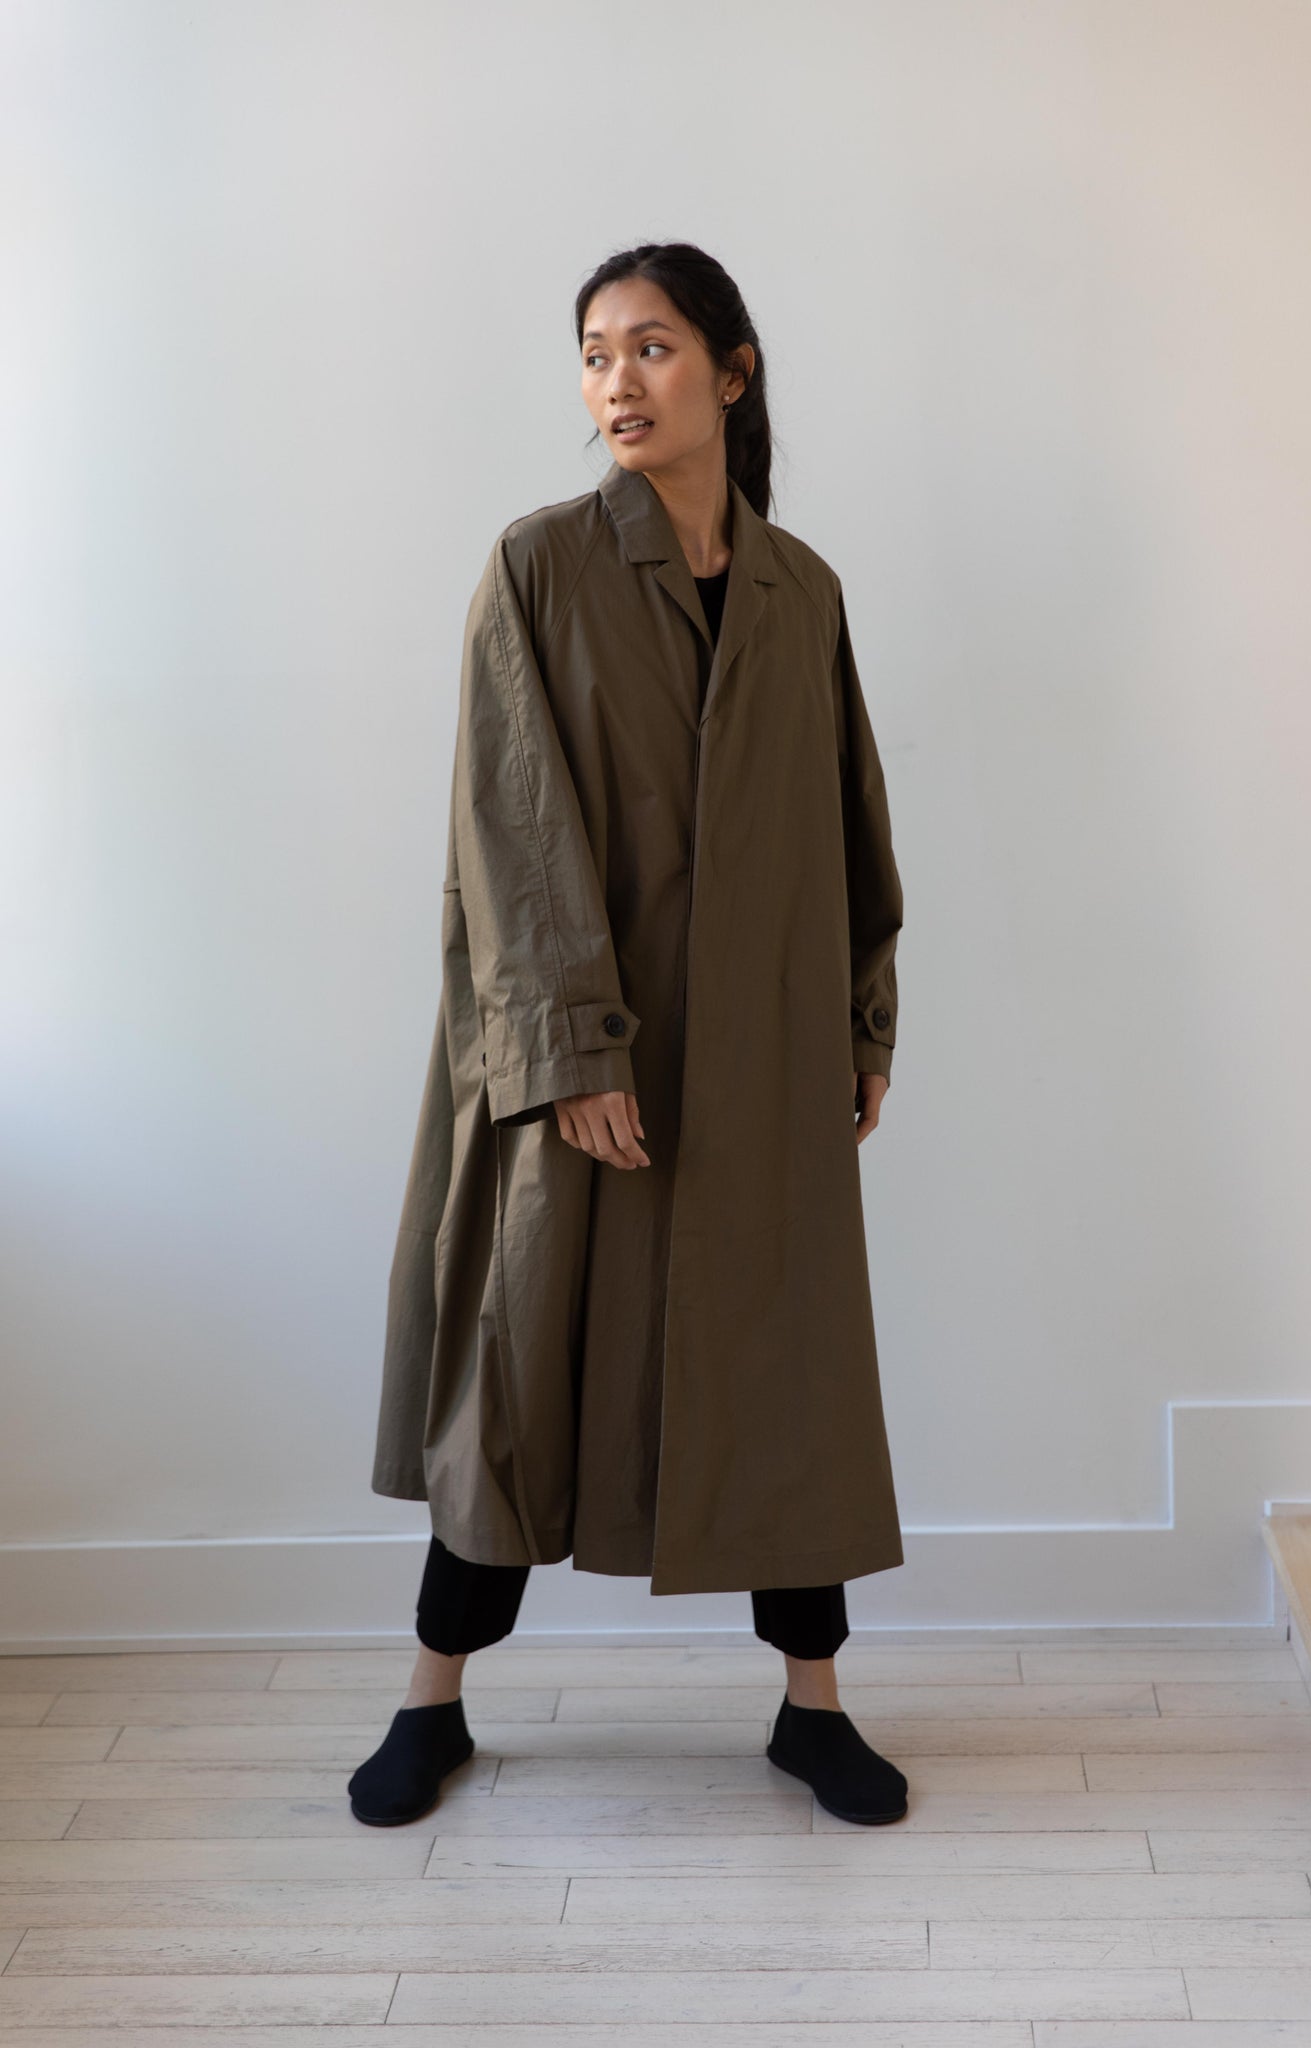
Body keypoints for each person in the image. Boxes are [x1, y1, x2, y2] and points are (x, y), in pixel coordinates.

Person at [350, 241, 908, 1829]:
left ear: (730, 371)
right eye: (594, 353)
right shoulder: (539, 565)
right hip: (583, 1064)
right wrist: (573, 1051)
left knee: (781, 1374)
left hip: (762, 1065)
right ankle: (430, 1703)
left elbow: (849, 822)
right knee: (518, 1375)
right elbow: (507, 829)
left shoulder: (801, 593)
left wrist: (860, 1020)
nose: (616, 381)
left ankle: (811, 1712)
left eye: (650, 347)